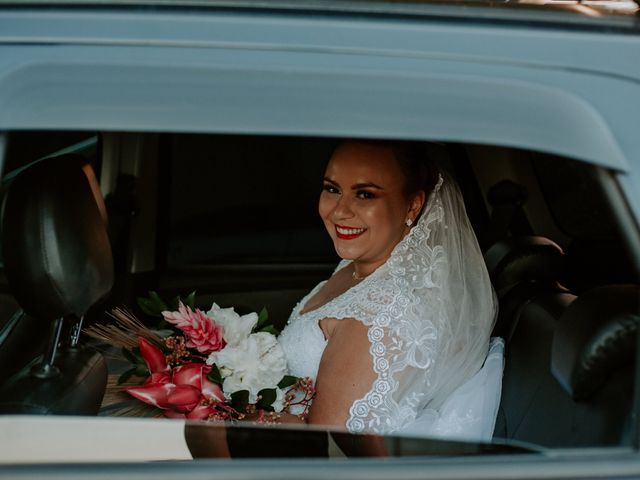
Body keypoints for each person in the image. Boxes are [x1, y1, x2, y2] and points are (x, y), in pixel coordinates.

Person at [278, 139, 503, 440]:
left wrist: (227, 417)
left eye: (365, 194)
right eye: (332, 189)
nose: (339, 211)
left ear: (413, 204)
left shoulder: (375, 315)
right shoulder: (354, 268)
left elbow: (324, 448)